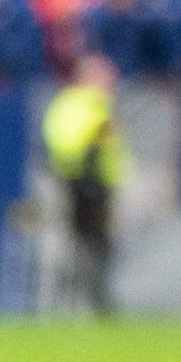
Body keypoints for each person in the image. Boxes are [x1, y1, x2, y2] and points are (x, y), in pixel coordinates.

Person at [42, 55, 128, 316]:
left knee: (97, 245)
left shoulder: (99, 106)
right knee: (80, 245)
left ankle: (93, 301)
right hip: (80, 187)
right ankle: (72, 303)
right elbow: (67, 143)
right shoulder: (78, 104)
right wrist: (84, 167)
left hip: (99, 186)